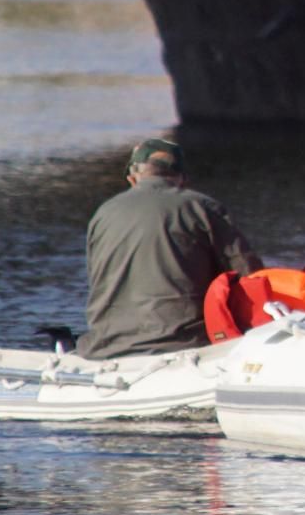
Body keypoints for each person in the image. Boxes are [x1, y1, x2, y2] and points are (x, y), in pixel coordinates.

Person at [78, 138, 263, 359]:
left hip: (105, 347)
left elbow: (97, 280)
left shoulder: (103, 214)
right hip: (184, 345)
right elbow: (250, 278)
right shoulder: (202, 207)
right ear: (183, 178)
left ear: (132, 179)